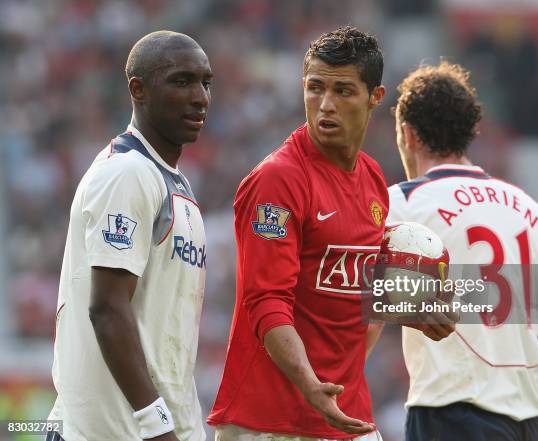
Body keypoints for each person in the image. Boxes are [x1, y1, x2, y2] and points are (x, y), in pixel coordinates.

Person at [207, 26, 457, 441]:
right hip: (270, 423)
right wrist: (308, 384)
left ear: (375, 97)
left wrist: (411, 308)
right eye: (315, 88)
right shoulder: (278, 181)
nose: (325, 104)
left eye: (343, 91)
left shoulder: (374, 179)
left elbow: (354, 291)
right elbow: (266, 300)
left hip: (348, 417)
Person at [387, 61, 538, 441]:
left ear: (409, 134)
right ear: (469, 134)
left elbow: (366, 315)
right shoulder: (535, 214)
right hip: (526, 422)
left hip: (448, 413)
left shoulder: (404, 204)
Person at [47, 30, 212, 441]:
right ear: (138, 89)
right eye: (182, 81)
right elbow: (107, 309)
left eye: (205, 82)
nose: (200, 97)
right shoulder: (127, 173)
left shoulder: (172, 183)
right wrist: (156, 424)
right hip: (108, 432)